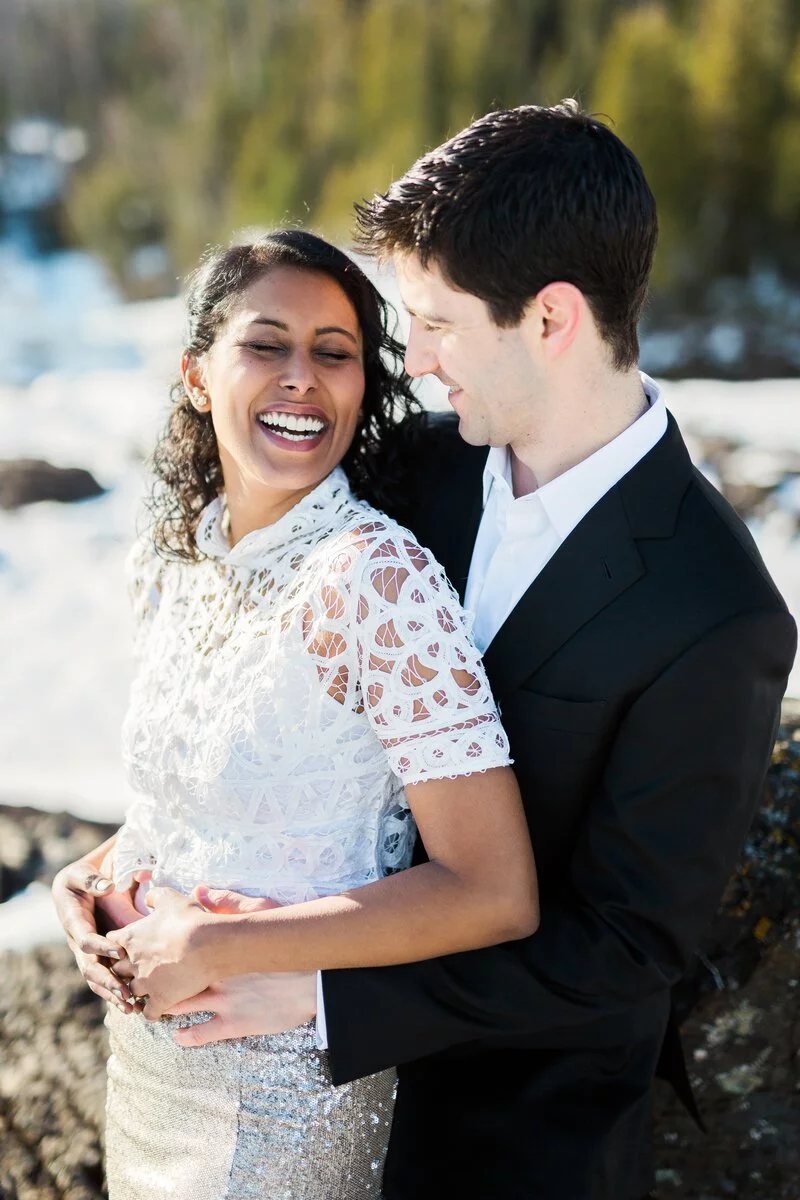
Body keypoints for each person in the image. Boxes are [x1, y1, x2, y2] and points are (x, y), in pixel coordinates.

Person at [55, 101, 796, 1199]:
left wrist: (313, 993)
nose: (414, 356)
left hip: (502, 1142)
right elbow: (278, 693)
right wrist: (136, 860)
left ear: (549, 319)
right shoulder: (415, 466)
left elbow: (623, 953)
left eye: (437, 323)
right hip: (241, 1093)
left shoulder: (714, 609)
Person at [53, 228, 538, 1200]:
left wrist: (220, 945)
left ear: (363, 390)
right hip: (146, 1070)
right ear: (196, 376)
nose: (300, 378)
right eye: (265, 344)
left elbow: (492, 892)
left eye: (333, 352)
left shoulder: (378, 580)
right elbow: (204, 802)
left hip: (286, 1102)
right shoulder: (173, 563)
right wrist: (94, 871)